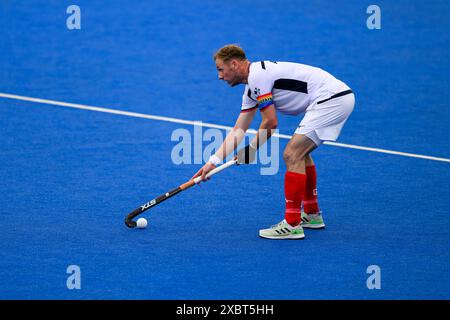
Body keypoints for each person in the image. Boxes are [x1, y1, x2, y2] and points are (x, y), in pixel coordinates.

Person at [192, 44, 355, 239]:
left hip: (331, 99)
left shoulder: (258, 77)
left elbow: (270, 123)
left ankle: (292, 224)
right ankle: (311, 214)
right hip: (335, 98)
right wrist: (212, 163)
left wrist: (251, 150)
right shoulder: (252, 88)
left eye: (221, 69)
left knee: (291, 154)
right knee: (301, 155)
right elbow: (238, 130)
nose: (219, 76)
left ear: (234, 64)